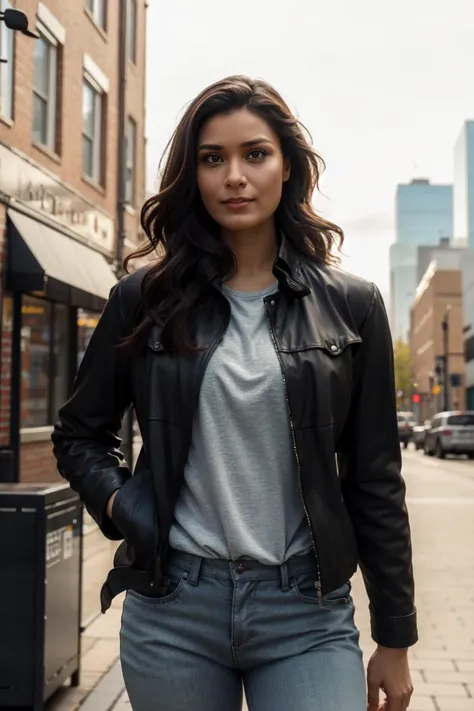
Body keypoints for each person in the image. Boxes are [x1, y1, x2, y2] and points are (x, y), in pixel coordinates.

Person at [52, 75, 417, 711]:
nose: (235, 177)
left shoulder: (352, 306)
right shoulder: (144, 301)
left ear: (287, 167)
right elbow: (80, 432)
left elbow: (376, 478)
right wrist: (119, 506)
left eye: (255, 154)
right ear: (193, 175)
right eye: (212, 159)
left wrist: (395, 634)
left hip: (305, 609)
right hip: (173, 607)